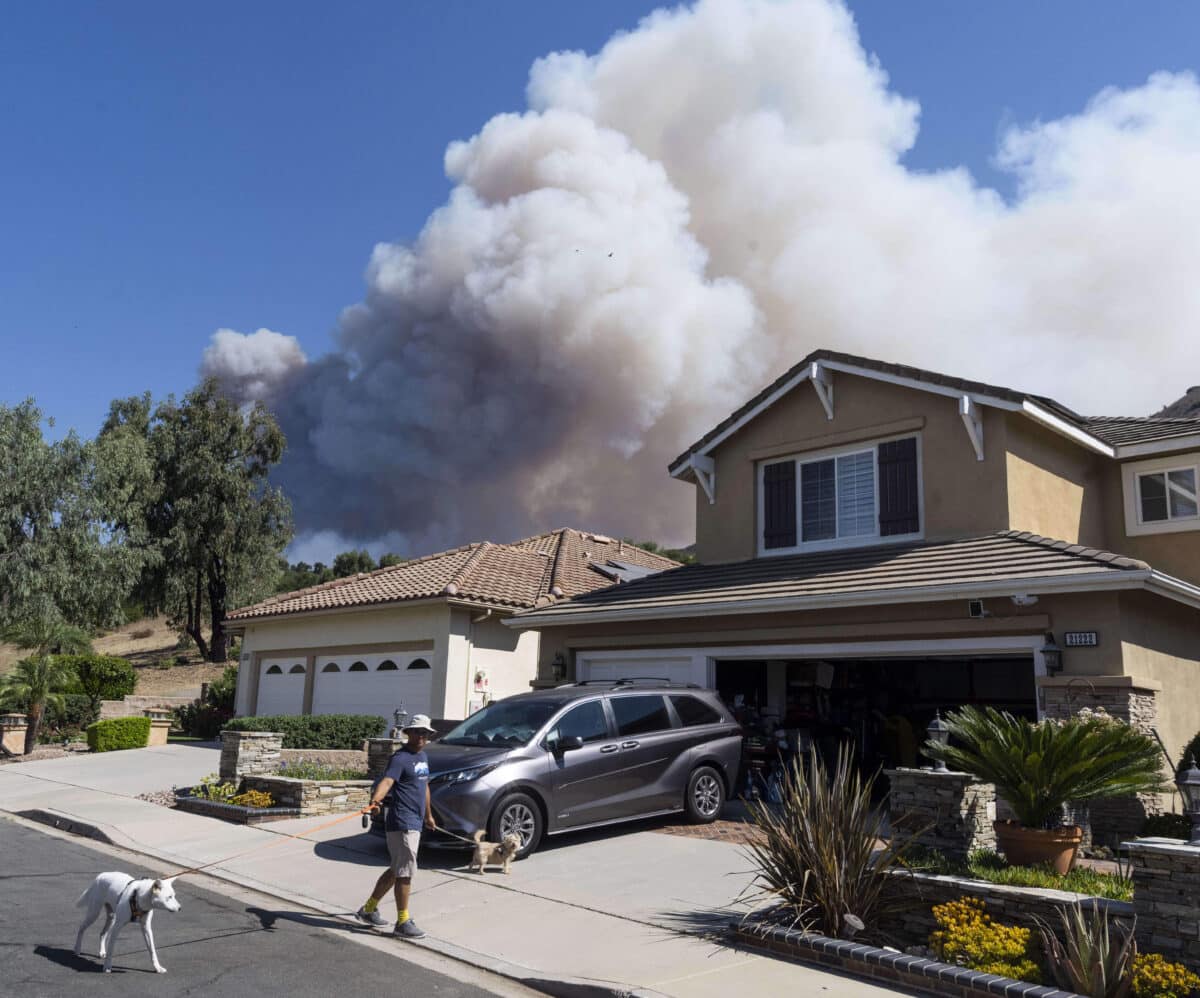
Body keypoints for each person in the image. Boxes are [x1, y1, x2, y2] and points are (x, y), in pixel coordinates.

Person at [356, 715, 437, 938]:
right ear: (409, 733)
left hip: (416, 821)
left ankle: (369, 909)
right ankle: (402, 922)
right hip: (402, 821)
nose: (422, 736)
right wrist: (375, 801)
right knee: (405, 872)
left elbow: (424, 786)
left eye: (426, 733)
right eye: (418, 732)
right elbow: (387, 781)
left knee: (397, 869)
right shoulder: (400, 758)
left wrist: (429, 815)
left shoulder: (422, 757)